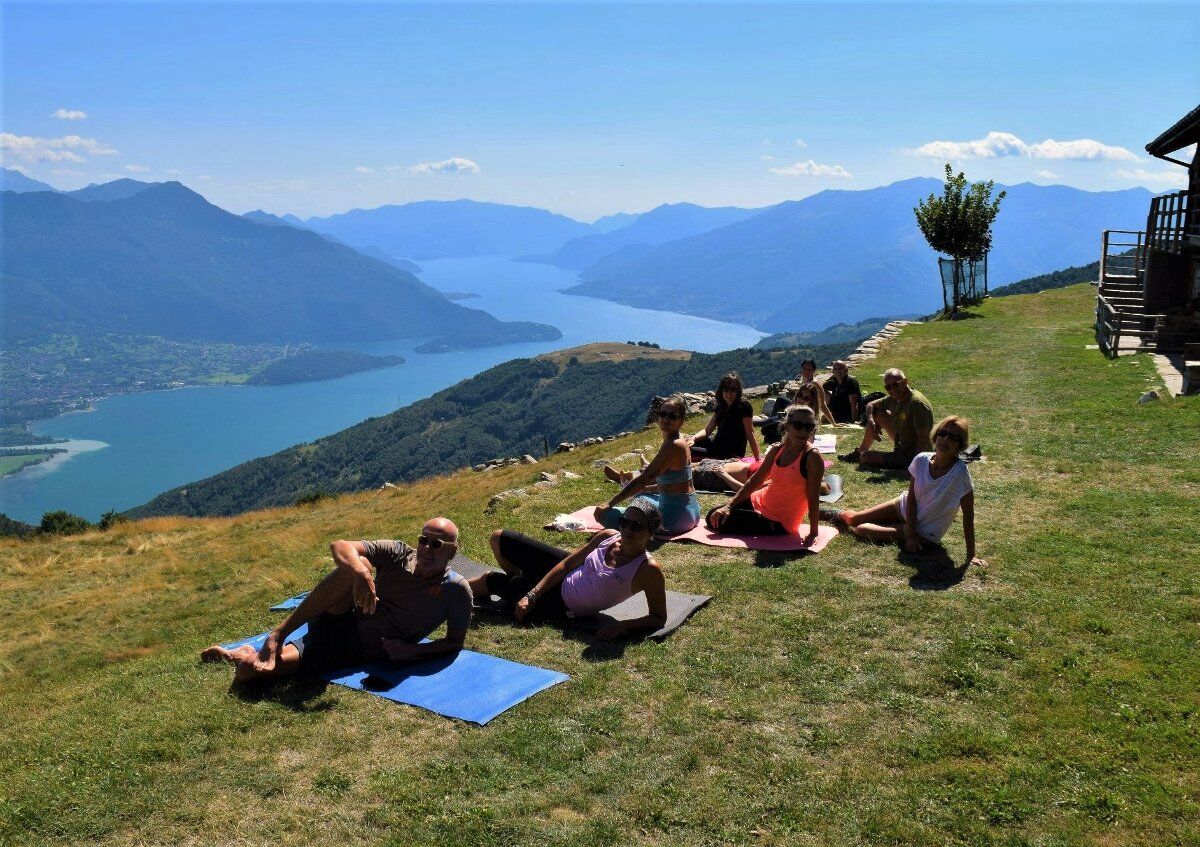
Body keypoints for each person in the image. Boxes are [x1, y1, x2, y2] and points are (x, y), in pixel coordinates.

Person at [200, 517, 471, 681]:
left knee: (249, 671)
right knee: (356, 562)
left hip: (351, 648)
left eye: (436, 544)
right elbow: (339, 546)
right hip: (340, 617)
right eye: (424, 539)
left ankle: (240, 654)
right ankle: (277, 634)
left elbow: (454, 642)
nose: (425, 548)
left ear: (452, 552)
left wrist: (415, 651)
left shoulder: (456, 591)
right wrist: (362, 572)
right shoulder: (399, 553)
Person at [469, 499, 668, 640]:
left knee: (491, 580)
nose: (626, 530)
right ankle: (524, 581)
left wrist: (622, 626)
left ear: (650, 533)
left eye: (636, 526)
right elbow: (566, 565)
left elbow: (659, 618)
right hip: (568, 571)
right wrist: (533, 594)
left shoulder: (648, 570)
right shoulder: (608, 536)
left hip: (564, 605)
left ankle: (447, 586)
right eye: (624, 522)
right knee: (500, 538)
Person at [831, 416, 985, 568]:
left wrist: (971, 555)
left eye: (953, 437)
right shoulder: (922, 459)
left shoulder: (959, 473)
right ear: (936, 435)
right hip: (904, 507)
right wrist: (910, 536)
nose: (945, 440)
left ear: (960, 445)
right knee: (853, 518)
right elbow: (911, 499)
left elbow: (968, 516)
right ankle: (829, 512)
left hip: (924, 531)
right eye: (942, 433)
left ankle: (901, 528)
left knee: (862, 530)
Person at [705, 405, 823, 541]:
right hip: (759, 501)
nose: (803, 431)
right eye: (798, 425)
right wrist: (729, 505)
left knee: (718, 522)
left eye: (808, 427)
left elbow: (813, 497)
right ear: (787, 426)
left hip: (779, 521)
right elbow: (755, 480)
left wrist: (814, 532)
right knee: (712, 515)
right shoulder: (777, 450)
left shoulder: (812, 457)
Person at [595, 395, 701, 534]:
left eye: (672, 416)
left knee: (606, 515)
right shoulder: (679, 441)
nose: (666, 419)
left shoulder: (673, 445)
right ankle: (626, 484)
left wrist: (610, 503)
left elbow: (644, 479)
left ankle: (624, 485)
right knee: (641, 498)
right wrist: (647, 489)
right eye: (662, 414)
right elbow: (672, 482)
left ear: (681, 421)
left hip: (674, 519)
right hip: (691, 511)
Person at [841, 368, 933, 468]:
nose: (893, 389)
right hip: (902, 444)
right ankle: (860, 451)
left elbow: (923, 440)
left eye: (896, 385)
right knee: (878, 413)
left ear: (905, 381)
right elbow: (870, 405)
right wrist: (871, 422)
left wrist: (914, 467)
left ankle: (863, 454)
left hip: (912, 454)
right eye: (888, 387)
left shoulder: (916, 403)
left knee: (865, 457)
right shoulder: (894, 398)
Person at [689, 372, 760, 460]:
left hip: (729, 454)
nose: (729, 393)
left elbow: (750, 433)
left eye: (733, 389)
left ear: (738, 391)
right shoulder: (721, 406)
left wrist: (757, 458)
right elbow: (707, 431)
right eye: (725, 389)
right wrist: (693, 438)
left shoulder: (743, 406)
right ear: (721, 390)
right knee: (687, 442)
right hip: (716, 445)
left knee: (687, 450)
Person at [793, 359, 835, 425]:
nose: (806, 371)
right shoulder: (804, 381)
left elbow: (822, 405)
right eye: (804, 368)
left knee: (779, 401)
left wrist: (833, 423)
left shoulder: (815, 384)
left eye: (809, 369)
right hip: (800, 408)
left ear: (813, 371)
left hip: (808, 413)